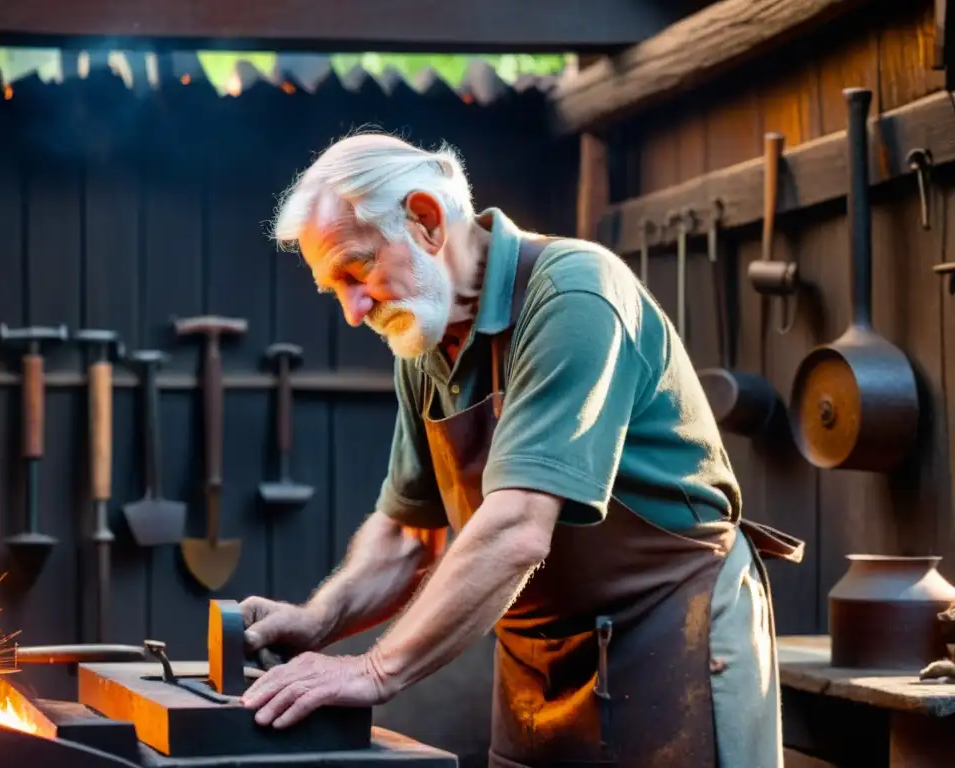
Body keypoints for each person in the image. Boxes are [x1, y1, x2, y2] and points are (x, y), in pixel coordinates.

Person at [239, 132, 805, 768]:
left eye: (356, 269)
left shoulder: (573, 294)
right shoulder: (421, 342)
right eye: (333, 287)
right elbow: (406, 536)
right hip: (535, 659)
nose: (352, 309)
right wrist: (319, 620)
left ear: (425, 220)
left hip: (672, 630)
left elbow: (516, 530)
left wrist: (374, 671)